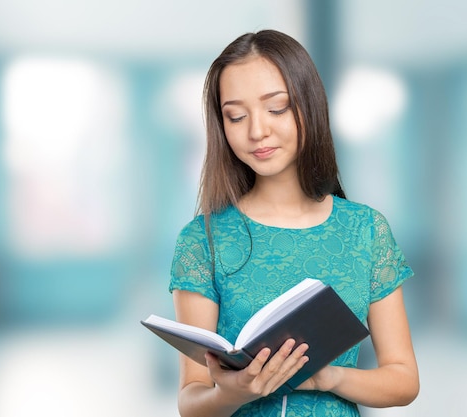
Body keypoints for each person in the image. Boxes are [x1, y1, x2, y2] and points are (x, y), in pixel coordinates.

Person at [168, 30, 419, 417]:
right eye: (236, 115)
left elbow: (403, 380)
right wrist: (234, 393)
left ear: (308, 105)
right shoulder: (203, 240)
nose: (256, 131)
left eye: (277, 108)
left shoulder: (365, 230)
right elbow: (191, 400)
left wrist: (327, 378)